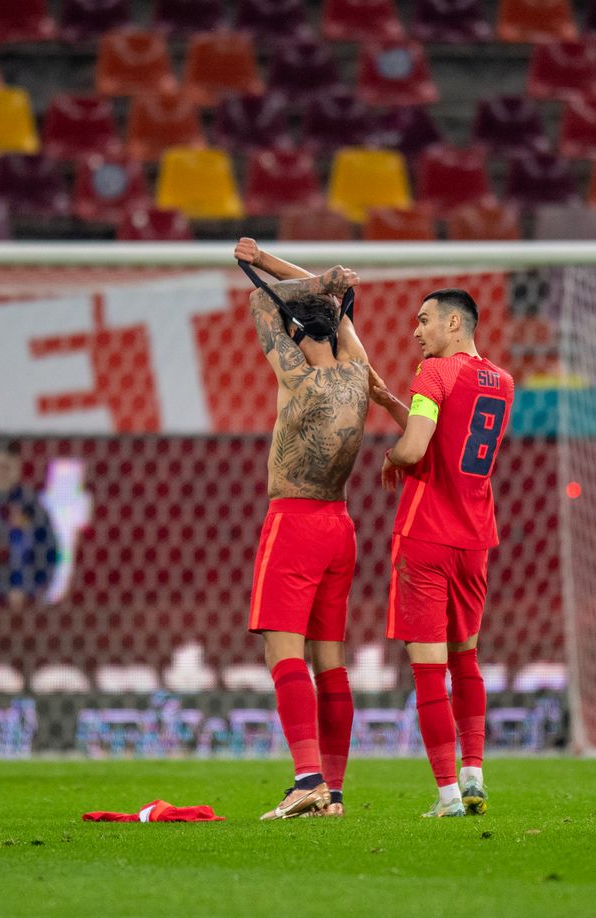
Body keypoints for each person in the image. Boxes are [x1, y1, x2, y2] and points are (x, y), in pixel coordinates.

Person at [233, 238, 370, 821]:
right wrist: (279, 268)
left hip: (293, 522)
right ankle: (332, 794)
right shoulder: (360, 374)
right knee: (330, 659)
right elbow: (333, 300)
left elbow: (260, 306)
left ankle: (306, 779)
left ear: (296, 336)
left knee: (282, 651)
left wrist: (259, 267)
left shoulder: (296, 378)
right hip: (341, 525)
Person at [370, 289, 514, 818]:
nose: (416, 332)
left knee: (429, 670)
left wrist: (391, 456)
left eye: (424, 320)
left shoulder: (433, 373)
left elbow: (415, 447)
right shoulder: (502, 381)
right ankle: (474, 773)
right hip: (475, 538)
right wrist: (390, 404)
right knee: (466, 659)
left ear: (455, 322)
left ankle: (448, 795)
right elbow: (447, 433)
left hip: (427, 535)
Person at [0, 442, 58, 608]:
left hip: (25, 598)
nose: (3, 473)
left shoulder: (31, 505)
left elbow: (50, 551)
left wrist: (31, 589)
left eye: (8, 467)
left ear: (18, 468)